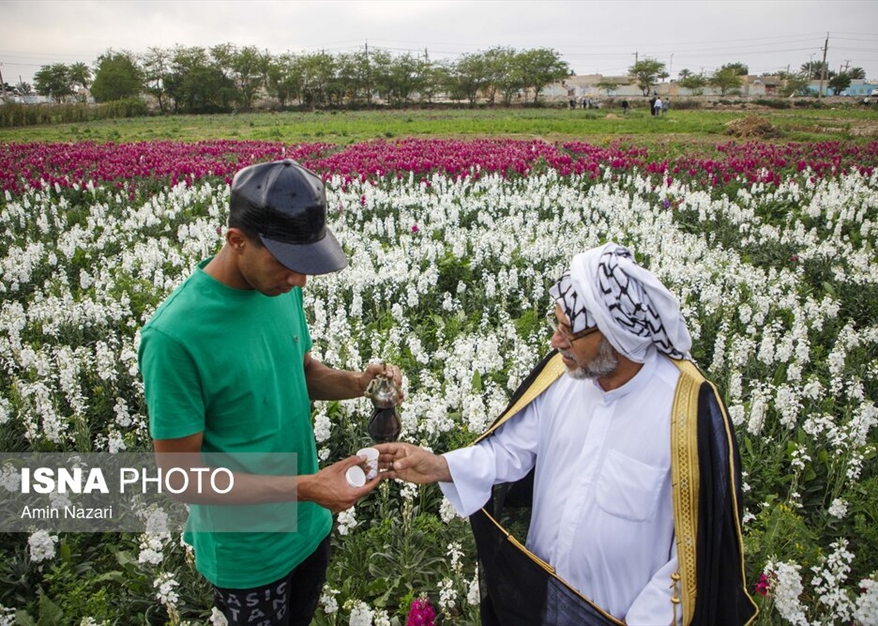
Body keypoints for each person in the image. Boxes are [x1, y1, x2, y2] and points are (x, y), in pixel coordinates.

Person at [377, 243, 757, 625]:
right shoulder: (562, 378)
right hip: (537, 598)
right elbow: (509, 451)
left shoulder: (686, 410)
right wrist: (440, 466)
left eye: (569, 331)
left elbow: (692, 555)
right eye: (556, 323)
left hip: (617, 616)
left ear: (616, 334)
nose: (556, 341)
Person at [138, 159, 402, 626]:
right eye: (287, 263)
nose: (299, 280)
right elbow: (180, 478)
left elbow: (298, 371)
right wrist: (306, 487)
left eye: (305, 265)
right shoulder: (175, 337)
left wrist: (358, 384)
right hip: (248, 556)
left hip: (309, 526)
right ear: (236, 241)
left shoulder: (279, 288)